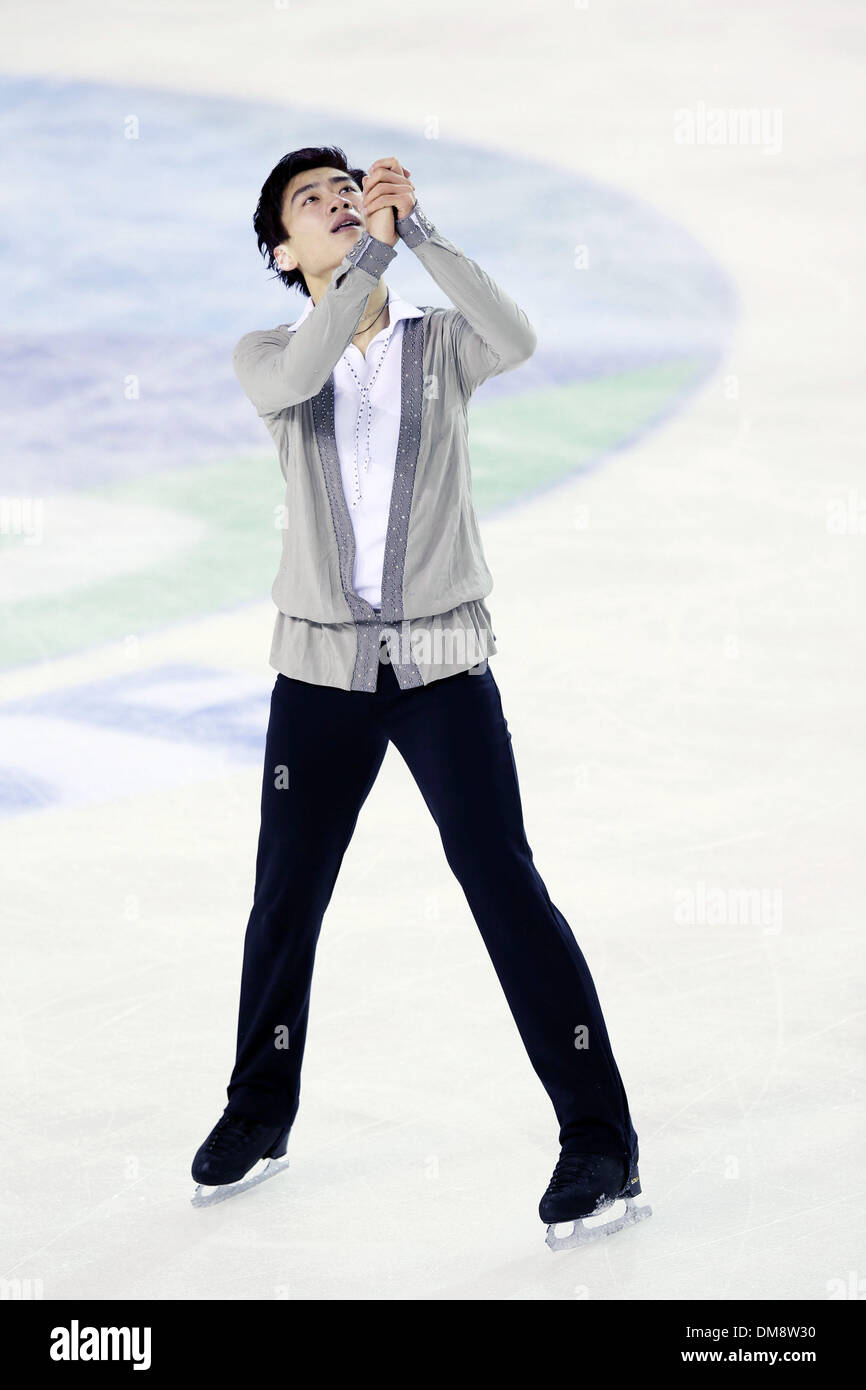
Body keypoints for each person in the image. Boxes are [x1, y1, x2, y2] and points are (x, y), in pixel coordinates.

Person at [190, 146, 648, 1243]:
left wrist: (423, 234)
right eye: (313, 202)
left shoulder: (437, 343)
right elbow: (297, 375)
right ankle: (260, 1108)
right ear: (281, 250)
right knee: (284, 898)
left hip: (440, 667)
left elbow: (520, 336)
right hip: (319, 677)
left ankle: (599, 1138)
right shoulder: (270, 351)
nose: (339, 205)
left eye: (349, 190)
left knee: (503, 885)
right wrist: (368, 264)